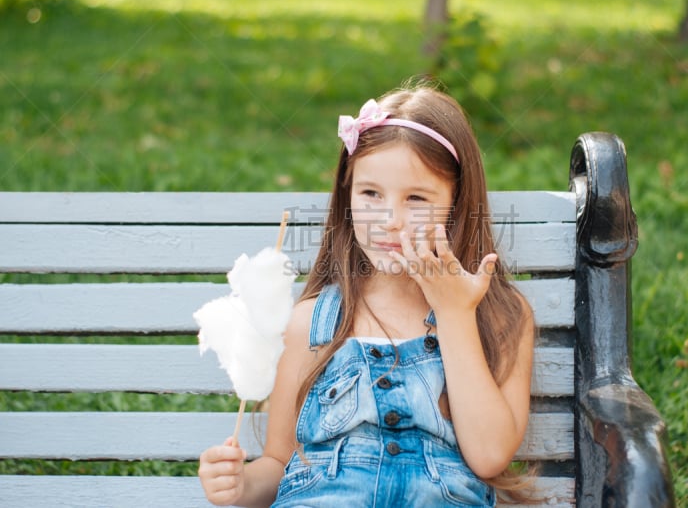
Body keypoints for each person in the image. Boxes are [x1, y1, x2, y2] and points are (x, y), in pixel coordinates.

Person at [198, 80, 535, 507]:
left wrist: (454, 313)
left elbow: (489, 456)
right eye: (371, 193)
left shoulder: (500, 317)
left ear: (456, 203)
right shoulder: (312, 323)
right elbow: (280, 462)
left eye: (416, 198)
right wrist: (241, 488)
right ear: (348, 196)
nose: (389, 220)